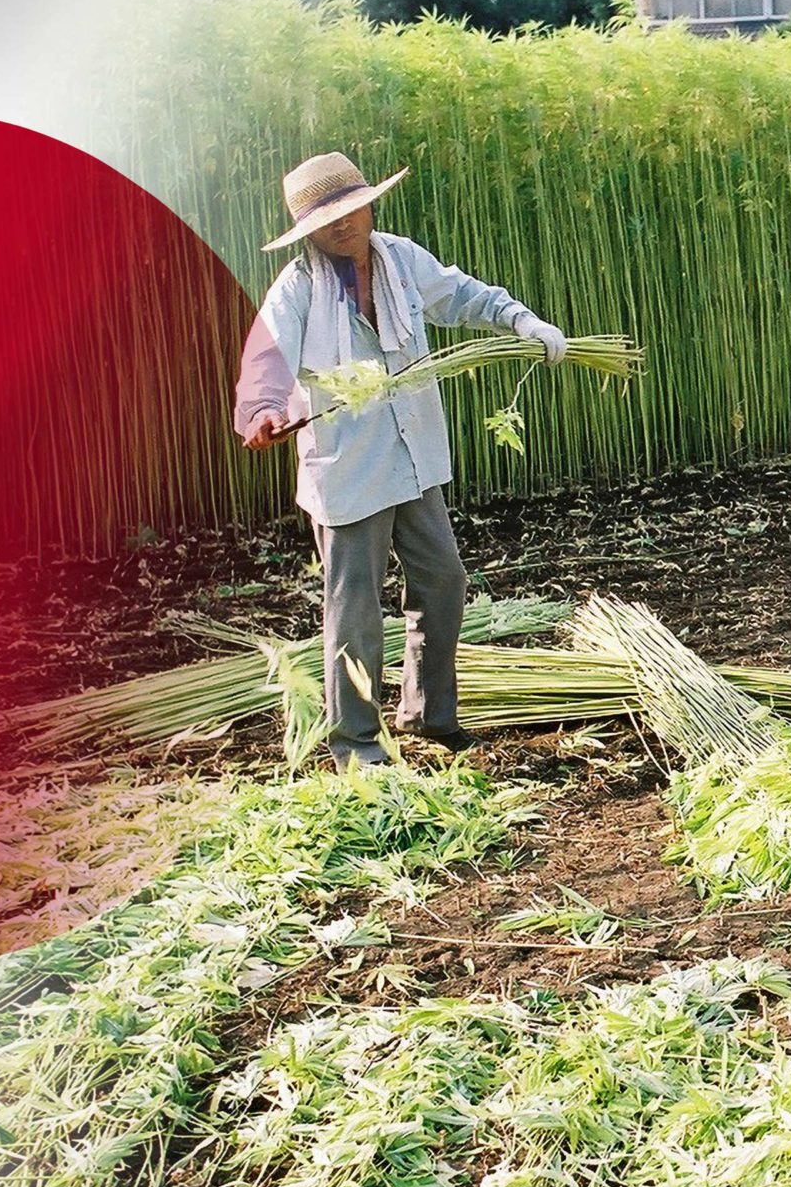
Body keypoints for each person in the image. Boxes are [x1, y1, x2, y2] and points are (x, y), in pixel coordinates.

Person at [233, 151, 569, 768]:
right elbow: (266, 362)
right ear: (309, 231)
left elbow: (462, 295)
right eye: (326, 219)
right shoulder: (299, 286)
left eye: (351, 209)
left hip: (412, 454)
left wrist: (521, 320)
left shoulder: (400, 258)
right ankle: (356, 743)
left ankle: (430, 715)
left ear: (369, 203)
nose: (343, 225)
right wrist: (261, 414)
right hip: (349, 467)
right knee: (355, 607)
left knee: (443, 581)